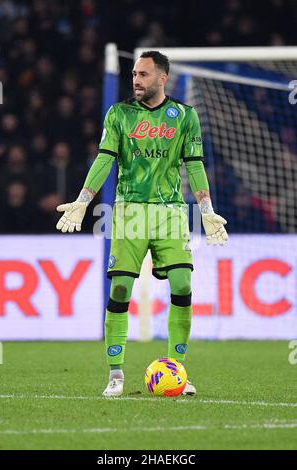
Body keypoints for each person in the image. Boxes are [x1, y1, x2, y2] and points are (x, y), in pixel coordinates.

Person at [56, 51, 228, 397]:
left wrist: (206, 209)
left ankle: (177, 370)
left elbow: (193, 164)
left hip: (170, 212)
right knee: (120, 290)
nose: (136, 79)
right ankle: (116, 374)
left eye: (144, 74)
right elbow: (105, 160)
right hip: (129, 210)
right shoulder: (119, 114)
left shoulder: (185, 116)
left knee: (181, 285)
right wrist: (83, 200)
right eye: (134, 73)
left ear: (162, 78)